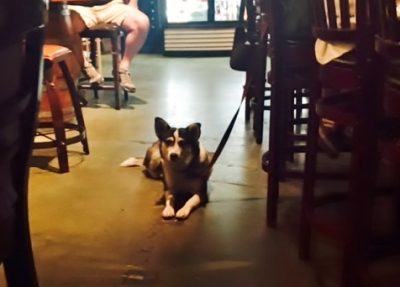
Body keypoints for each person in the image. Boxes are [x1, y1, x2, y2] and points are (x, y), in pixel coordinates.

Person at [69, 0, 150, 93]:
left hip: (112, 5)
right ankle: (84, 65)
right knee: (63, 25)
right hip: (77, 7)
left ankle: (123, 67)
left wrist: (133, 3)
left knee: (141, 22)